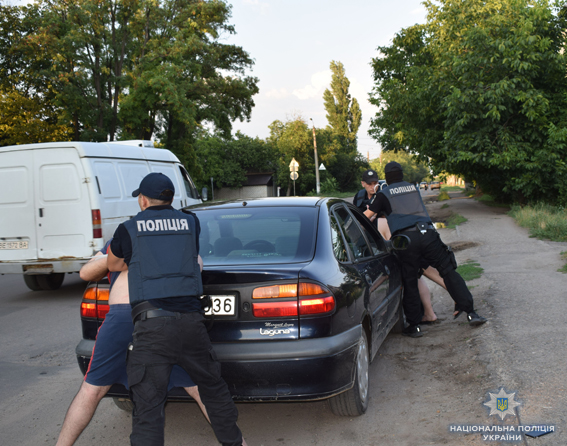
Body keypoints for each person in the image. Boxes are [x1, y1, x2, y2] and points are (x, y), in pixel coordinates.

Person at [107, 172, 244, 446]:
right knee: (213, 390)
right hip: (192, 325)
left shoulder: (129, 228)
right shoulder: (191, 222)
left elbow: (113, 264)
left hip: (152, 327)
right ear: (171, 197)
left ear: (143, 200)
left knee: (148, 406)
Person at [56, 242, 209, 446]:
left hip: (163, 316)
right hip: (134, 315)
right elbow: (87, 271)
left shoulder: (176, 233)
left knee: (198, 387)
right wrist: (123, 257)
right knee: (92, 389)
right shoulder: (124, 237)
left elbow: (196, 265)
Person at [364, 161, 487, 337]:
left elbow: (366, 217)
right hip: (428, 233)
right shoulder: (413, 188)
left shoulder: (383, 194)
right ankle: (471, 312)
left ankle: (414, 326)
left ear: (387, 177)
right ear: (402, 175)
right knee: (448, 271)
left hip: (407, 241)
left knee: (410, 280)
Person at [377, 217, 445, 324]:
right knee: (423, 277)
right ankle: (430, 312)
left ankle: (425, 315)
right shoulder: (393, 220)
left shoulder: (380, 222)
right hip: (413, 246)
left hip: (404, 253)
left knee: (419, 278)